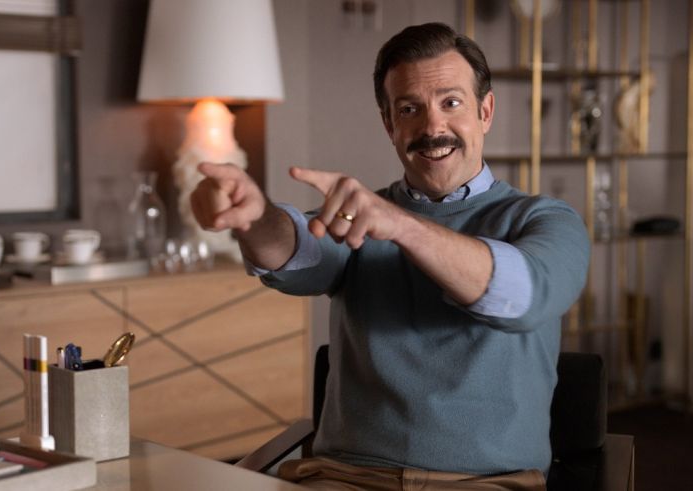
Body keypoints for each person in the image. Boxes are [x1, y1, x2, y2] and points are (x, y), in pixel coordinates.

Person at [190, 22, 589, 491]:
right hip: (345, 476)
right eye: (409, 109)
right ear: (389, 125)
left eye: (451, 103)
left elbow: (523, 295)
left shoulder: (547, 220)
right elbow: (297, 252)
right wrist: (253, 218)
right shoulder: (363, 216)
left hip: (484, 482)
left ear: (485, 111)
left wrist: (402, 225)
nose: (432, 126)